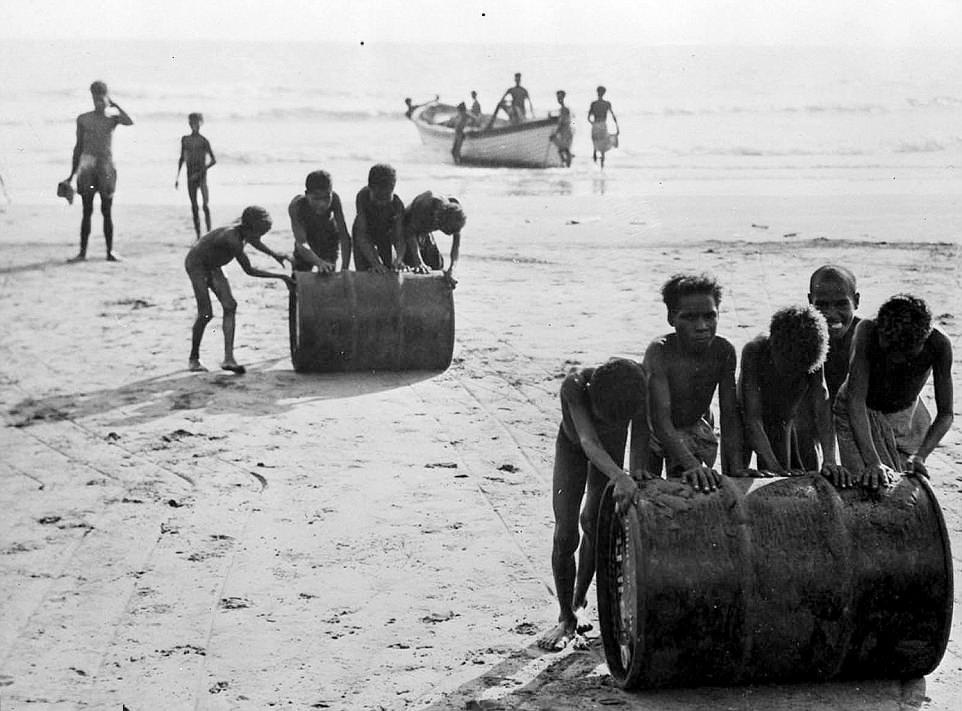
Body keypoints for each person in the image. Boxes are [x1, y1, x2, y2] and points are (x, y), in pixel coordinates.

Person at [537, 358, 648, 652]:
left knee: (594, 526)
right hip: (573, 447)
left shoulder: (636, 383)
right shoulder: (574, 386)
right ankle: (565, 617)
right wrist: (620, 476)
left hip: (609, 454)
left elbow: (640, 435)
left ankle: (578, 601)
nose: (607, 424)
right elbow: (589, 441)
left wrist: (635, 474)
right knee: (565, 535)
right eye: (603, 418)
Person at [834, 294, 954, 489]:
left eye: (906, 354)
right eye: (890, 350)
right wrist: (873, 461)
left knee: (902, 487)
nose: (896, 359)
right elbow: (855, 402)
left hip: (907, 417)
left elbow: (946, 414)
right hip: (857, 412)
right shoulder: (866, 331)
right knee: (866, 485)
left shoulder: (939, 344)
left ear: (924, 340)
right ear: (880, 330)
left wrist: (921, 456)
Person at [642, 273, 741, 492]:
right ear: (672, 318)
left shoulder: (723, 351)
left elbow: (729, 414)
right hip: (654, 431)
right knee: (648, 489)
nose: (702, 326)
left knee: (691, 489)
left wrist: (735, 470)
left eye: (710, 316)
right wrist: (693, 465)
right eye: (690, 317)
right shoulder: (659, 352)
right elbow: (660, 420)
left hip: (694, 426)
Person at [739, 305, 850, 486]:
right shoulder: (754, 351)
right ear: (772, 346)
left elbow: (822, 407)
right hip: (745, 418)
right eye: (788, 367)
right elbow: (752, 419)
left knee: (796, 476)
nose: (792, 375)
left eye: (798, 371)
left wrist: (830, 459)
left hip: (784, 419)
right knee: (741, 477)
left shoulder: (813, 352)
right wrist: (775, 469)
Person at [185, 206, 293, 374]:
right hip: (197, 264)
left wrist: (274, 254)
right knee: (205, 313)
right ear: (250, 228)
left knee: (230, 306)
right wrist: (281, 277)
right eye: (259, 233)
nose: (259, 237)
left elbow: (254, 240)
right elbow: (249, 270)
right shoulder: (232, 238)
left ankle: (229, 359)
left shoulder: (244, 230)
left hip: (214, 265)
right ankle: (194, 358)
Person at [793, 265, 861, 468]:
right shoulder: (801, 336)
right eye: (822, 305)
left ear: (856, 301)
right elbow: (813, 398)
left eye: (841, 304)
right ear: (809, 302)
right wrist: (829, 460)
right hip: (813, 407)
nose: (831, 314)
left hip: (856, 409)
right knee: (799, 424)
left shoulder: (865, 336)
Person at [63, 81, 133, 262]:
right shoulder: (83, 119)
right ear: (92, 98)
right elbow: (77, 147)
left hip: (106, 167)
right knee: (87, 211)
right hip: (87, 167)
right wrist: (71, 175)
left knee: (106, 210)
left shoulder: (112, 119)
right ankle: (82, 252)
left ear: (106, 98)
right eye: (95, 98)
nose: (98, 103)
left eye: (101, 98)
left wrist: (114, 104)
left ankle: (110, 252)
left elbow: (129, 121)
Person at [288, 170, 351, 273]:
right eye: (316, 198)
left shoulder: (335, 199)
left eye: (326, 198)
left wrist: (345, 268)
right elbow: (301, 242)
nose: (322, 204)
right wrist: (318, 262)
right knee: (298, 279)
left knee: (328, 275)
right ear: (307, 195)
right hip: (307, 239)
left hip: (328, 238)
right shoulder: (297, 206)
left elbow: (344, 236)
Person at [400, 191, 464, 287]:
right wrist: (419, 262)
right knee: (416, 267)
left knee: (436, 264)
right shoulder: (427, 204)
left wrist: (452, 269)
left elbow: (456, 246)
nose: (450, 234)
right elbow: (410, 233)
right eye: (447, 230)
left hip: (425, 232)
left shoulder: (456, 212)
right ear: (439, 221)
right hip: (405, 229)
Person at [352, 164, 405, 273]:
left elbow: (399, 237)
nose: (382, 203)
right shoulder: (362, 197)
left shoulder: (397, 204)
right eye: (378, 198)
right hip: (364, 231)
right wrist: (375, 263)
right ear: (370, 188)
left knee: (388, 269)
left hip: (385, 233)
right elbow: (362, 235)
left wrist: (399, 259)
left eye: (386, 198)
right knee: (364, 271)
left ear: (393, 189)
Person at [175, 112, 217, 240]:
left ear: (201, 123)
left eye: (197, 122)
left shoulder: (204, 141)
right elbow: (182, 158)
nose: (195, 125)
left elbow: (213, 160)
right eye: (192, 122)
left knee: (205, 205)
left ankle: (209, 234)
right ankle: (198, 235)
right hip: (189, 175)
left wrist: (200, 172)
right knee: (194, 206)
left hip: (201, 176)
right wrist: (177, 177)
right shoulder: (185, 139)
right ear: (189, 124)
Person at [587, 86, 619, 168]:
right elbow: (613, 116)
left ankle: (595, 164)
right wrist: (617, 127)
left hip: (595, 125)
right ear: (604, 93)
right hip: (603, 125)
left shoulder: (594, 104)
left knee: (595, 145)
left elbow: (588, 117)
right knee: (603, 147)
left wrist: (592, 123)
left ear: (597, 92)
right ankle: (601, 167)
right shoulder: (607, 104)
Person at [549, 90, 573, 167]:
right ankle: (566, 164)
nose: (559, 99)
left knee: (564, 149)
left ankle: (566, 165)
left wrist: (556, 132)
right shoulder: (563, 109)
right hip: (565, 131)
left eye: (560, 97)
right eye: (558, 97)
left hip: (565, 131)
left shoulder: (564, 109)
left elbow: (563, 122)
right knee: (563, 150)